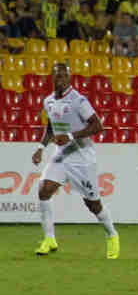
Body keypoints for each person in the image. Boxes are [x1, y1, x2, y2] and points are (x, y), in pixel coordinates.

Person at [31, 63, 119, 259]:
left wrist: (70, 136)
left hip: (82, 158)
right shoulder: (48, 101)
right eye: (57, 75)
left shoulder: (79, 101)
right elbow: (51, 128)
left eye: (64, 75)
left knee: (93, 204)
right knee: (44, 189)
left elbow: (98, 126)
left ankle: (112, 235)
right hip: (61, 156)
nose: (60, 79)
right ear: (52, 77)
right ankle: (49, 239)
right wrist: (40, 148)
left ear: (69, 78)